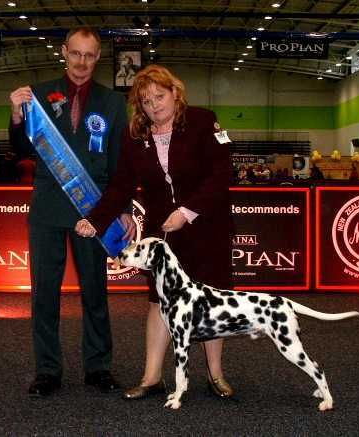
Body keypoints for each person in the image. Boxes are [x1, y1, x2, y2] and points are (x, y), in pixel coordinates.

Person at [75, 64, 234, 400]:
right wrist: (96, 219)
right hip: (162, 232)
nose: (154, 106)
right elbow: (121, 185)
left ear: (175, 92)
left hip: (206, 225)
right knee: (159, 301)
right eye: (146, 101)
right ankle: (151, 378)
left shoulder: (204, 121)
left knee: (211, 300)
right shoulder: (134, 135)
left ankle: (216, 375)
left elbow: (222, 174)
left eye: (159, 97)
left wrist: (187, 212)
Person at [9, 26, 130, 397]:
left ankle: (98, 366)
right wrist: (16, 115)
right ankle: (47, 370)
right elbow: (23, 149)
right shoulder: (38, 94)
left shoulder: (113, 102)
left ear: (98, 57)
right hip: (48, 207)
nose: (81, 62)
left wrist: (121, 208)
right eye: (76, 53)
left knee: (95, 291)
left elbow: (120, 160)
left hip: (92, 209)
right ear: (63, 51)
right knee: (44, 293)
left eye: (89, 55)